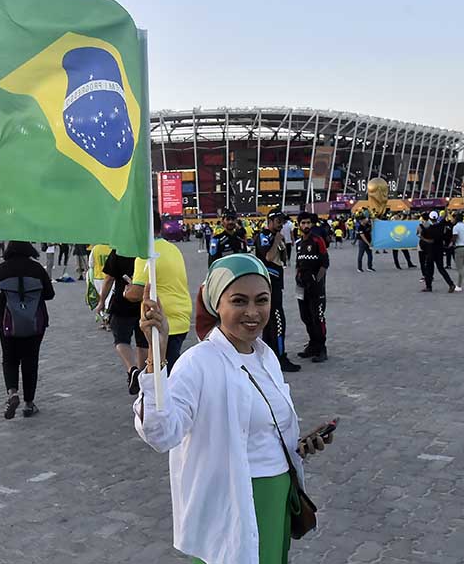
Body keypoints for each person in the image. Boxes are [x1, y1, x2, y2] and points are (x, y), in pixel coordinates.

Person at [134, 253, 334, 564]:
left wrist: (296, 445)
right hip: (231, 502)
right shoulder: (198, 362)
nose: (253, 312)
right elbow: (161, 433)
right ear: (217, 305)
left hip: (277, 493)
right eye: (239, 301)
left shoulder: (266, 357)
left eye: (262, 300)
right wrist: (156, 360)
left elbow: (260, 429)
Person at [0, 241, 54, 418]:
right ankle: (28, 403)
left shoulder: (2, 269)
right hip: (34, 324)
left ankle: (12, 393)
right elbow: (50, 294)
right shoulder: (37, 268)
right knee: (30, 361)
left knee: (9, 359)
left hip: (8, 324)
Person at [126, 212, 192, 373]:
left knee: (162, 375)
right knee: (169, 370)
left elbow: (136, 293)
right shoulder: (172, 249)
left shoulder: (147, 254)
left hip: (163, 322)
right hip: (181, 317)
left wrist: (126, 291)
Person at [253, 209, 301, 372]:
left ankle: (269, 357)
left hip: (275, 284)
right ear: (270, 221)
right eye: (278, 221)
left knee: (270, 323)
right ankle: (280, 357)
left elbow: (283, 260)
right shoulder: (264, 236)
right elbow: (268, 257)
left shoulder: (275, 237)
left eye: (283, 221)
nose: (281, 224)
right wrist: (277, 240)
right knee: (278, 321)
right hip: (268, 285)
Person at [97, 249, 145, 394]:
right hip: (143, 301)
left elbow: (108, 279)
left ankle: (132, 369)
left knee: (121, 340)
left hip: (122, 302)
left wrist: (101, 301)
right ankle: (143, 376)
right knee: (143, 342)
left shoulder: (119, 251)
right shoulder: (146, 249)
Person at [295, 211, 330, 362]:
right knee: (305, 316)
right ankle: (312, 345)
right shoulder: (298, 243)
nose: (306, 225)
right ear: (299, 225)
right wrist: (298, 278)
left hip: (316, 287)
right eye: (303, 223)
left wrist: (317, 281)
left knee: (318, 317)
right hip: (301, 287)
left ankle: (322, 348)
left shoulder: (318, 241)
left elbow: (324, 263)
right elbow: (298, 263)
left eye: (308, 223)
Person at [421, 211, 456, 293]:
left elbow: (424, 239)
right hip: (440, 250)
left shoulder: (428, 229)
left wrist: (422, 238)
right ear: (437, 218)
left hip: (430, 251)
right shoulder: (441, 226)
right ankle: (451, 284)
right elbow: (444, 217)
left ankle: (428, 286)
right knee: (441, 269)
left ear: (429, 218)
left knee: (429, 269)